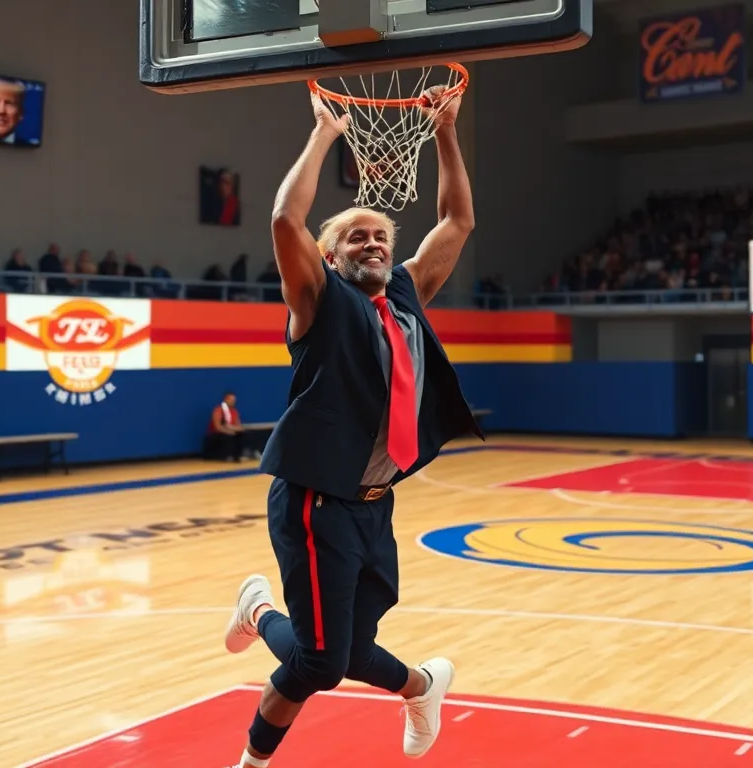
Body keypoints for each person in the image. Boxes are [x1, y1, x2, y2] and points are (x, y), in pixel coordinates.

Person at [221, 83, 479, 768]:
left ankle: (421, 685)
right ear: (331, 256)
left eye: (380, 236)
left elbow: (456, 223)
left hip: (374, 503)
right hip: (316, 497)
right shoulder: (317, 301)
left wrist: (446, 131)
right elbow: (284, 219)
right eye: (354, 237)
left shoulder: (404, 295)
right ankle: (255, 725)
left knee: (349, 649)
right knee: (322, 662)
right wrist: (325, 135)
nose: (371, 242)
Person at [205, 392, 245, 461]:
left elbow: (238, 425)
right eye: (231, 400)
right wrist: (228, 431)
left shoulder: (234, 411)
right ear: (226, 400)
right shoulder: (218, 410)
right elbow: (218, 427)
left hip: (230, 430)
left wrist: (233, 428)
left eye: (234, 400)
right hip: (217, 433)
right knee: (228, 436)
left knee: (242, 434)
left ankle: (238, 455)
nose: (233, 402)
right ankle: (226, 455)